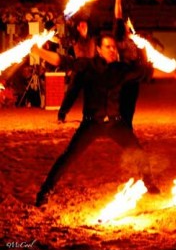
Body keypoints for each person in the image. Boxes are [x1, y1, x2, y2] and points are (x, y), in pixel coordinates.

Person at [31, 33, 160, 207]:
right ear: (99, 49)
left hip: (115, 123)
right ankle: (45, 192)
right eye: (108, 47)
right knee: (68, 157)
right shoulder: (88, 66)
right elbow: (62, 60)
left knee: (138, 152)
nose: (113, 50)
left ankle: (149, 183)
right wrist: (37, 51)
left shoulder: (122, 68)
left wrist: (155, 56)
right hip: (92, 123)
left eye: (114, 47)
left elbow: (146, 71)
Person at [113, 0, 154, 129]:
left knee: (131, 103)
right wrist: (118, 0)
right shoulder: (120, 39)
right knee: (124, 103)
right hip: (124, 74)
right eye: (125, 24)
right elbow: (118, 17)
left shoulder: (134, 39)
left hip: (134, 74)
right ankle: (122, 125)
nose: (127, 25)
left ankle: (127, 125)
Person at [57, 17, 97, 123]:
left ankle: (89, 116)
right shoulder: (74, 39)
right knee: (71, 93)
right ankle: (62, 115)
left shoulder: (93, 38)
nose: (84, 28)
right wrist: (46, 36)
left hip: (90, 68)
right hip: (78, 68)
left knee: (91, 94)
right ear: (78, 28)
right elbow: (60, 41)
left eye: (85, 26)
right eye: (82, 26)